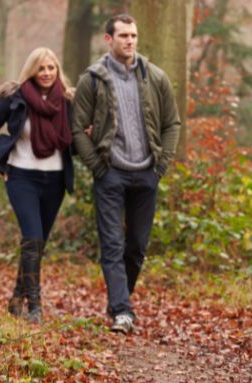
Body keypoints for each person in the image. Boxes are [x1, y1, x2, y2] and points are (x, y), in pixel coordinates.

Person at [72, 14, 181, 334]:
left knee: (137, 246)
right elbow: (77, 127)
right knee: (112, 245)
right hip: (111, 174)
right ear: (109, 40)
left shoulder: (155, 77)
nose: (130, 41)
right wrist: (97, 167)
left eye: (133, 35)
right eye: (123, 36)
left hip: (147, 172)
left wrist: (161, 165)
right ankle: (122, 310)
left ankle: (120, 300)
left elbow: (172, 123)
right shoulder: (92, 79)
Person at [0, 47, 76, 324]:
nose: (46, 73)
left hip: (55, 180)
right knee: (32, 238)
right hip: (22, 178)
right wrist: (0, 163)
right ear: (32, 71)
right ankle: (35, 306)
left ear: (57, 70)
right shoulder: (16, 99)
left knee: (38, 243)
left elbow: (72, 142)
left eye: (51, 68)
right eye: (40, 68)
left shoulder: (67, 101)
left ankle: (17, 298)